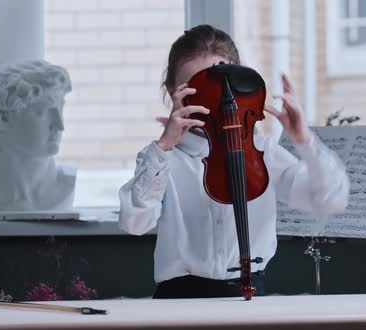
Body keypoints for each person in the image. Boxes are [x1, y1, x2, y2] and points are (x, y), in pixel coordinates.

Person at [119, 25, 349, 298]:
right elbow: (135, 223)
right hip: (178, 300)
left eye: (220, 89)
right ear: (173, 91)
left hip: (249, 297)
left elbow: (331, 199)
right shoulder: (163, 158)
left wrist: (304, 139)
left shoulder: (260, 152)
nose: (214, 101)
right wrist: (163, 147)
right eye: (197, 89)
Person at [0, 60, 76, 211]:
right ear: (3, 119)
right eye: (42, 112)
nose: (60, 126)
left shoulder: (67, 183)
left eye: (60, 108)